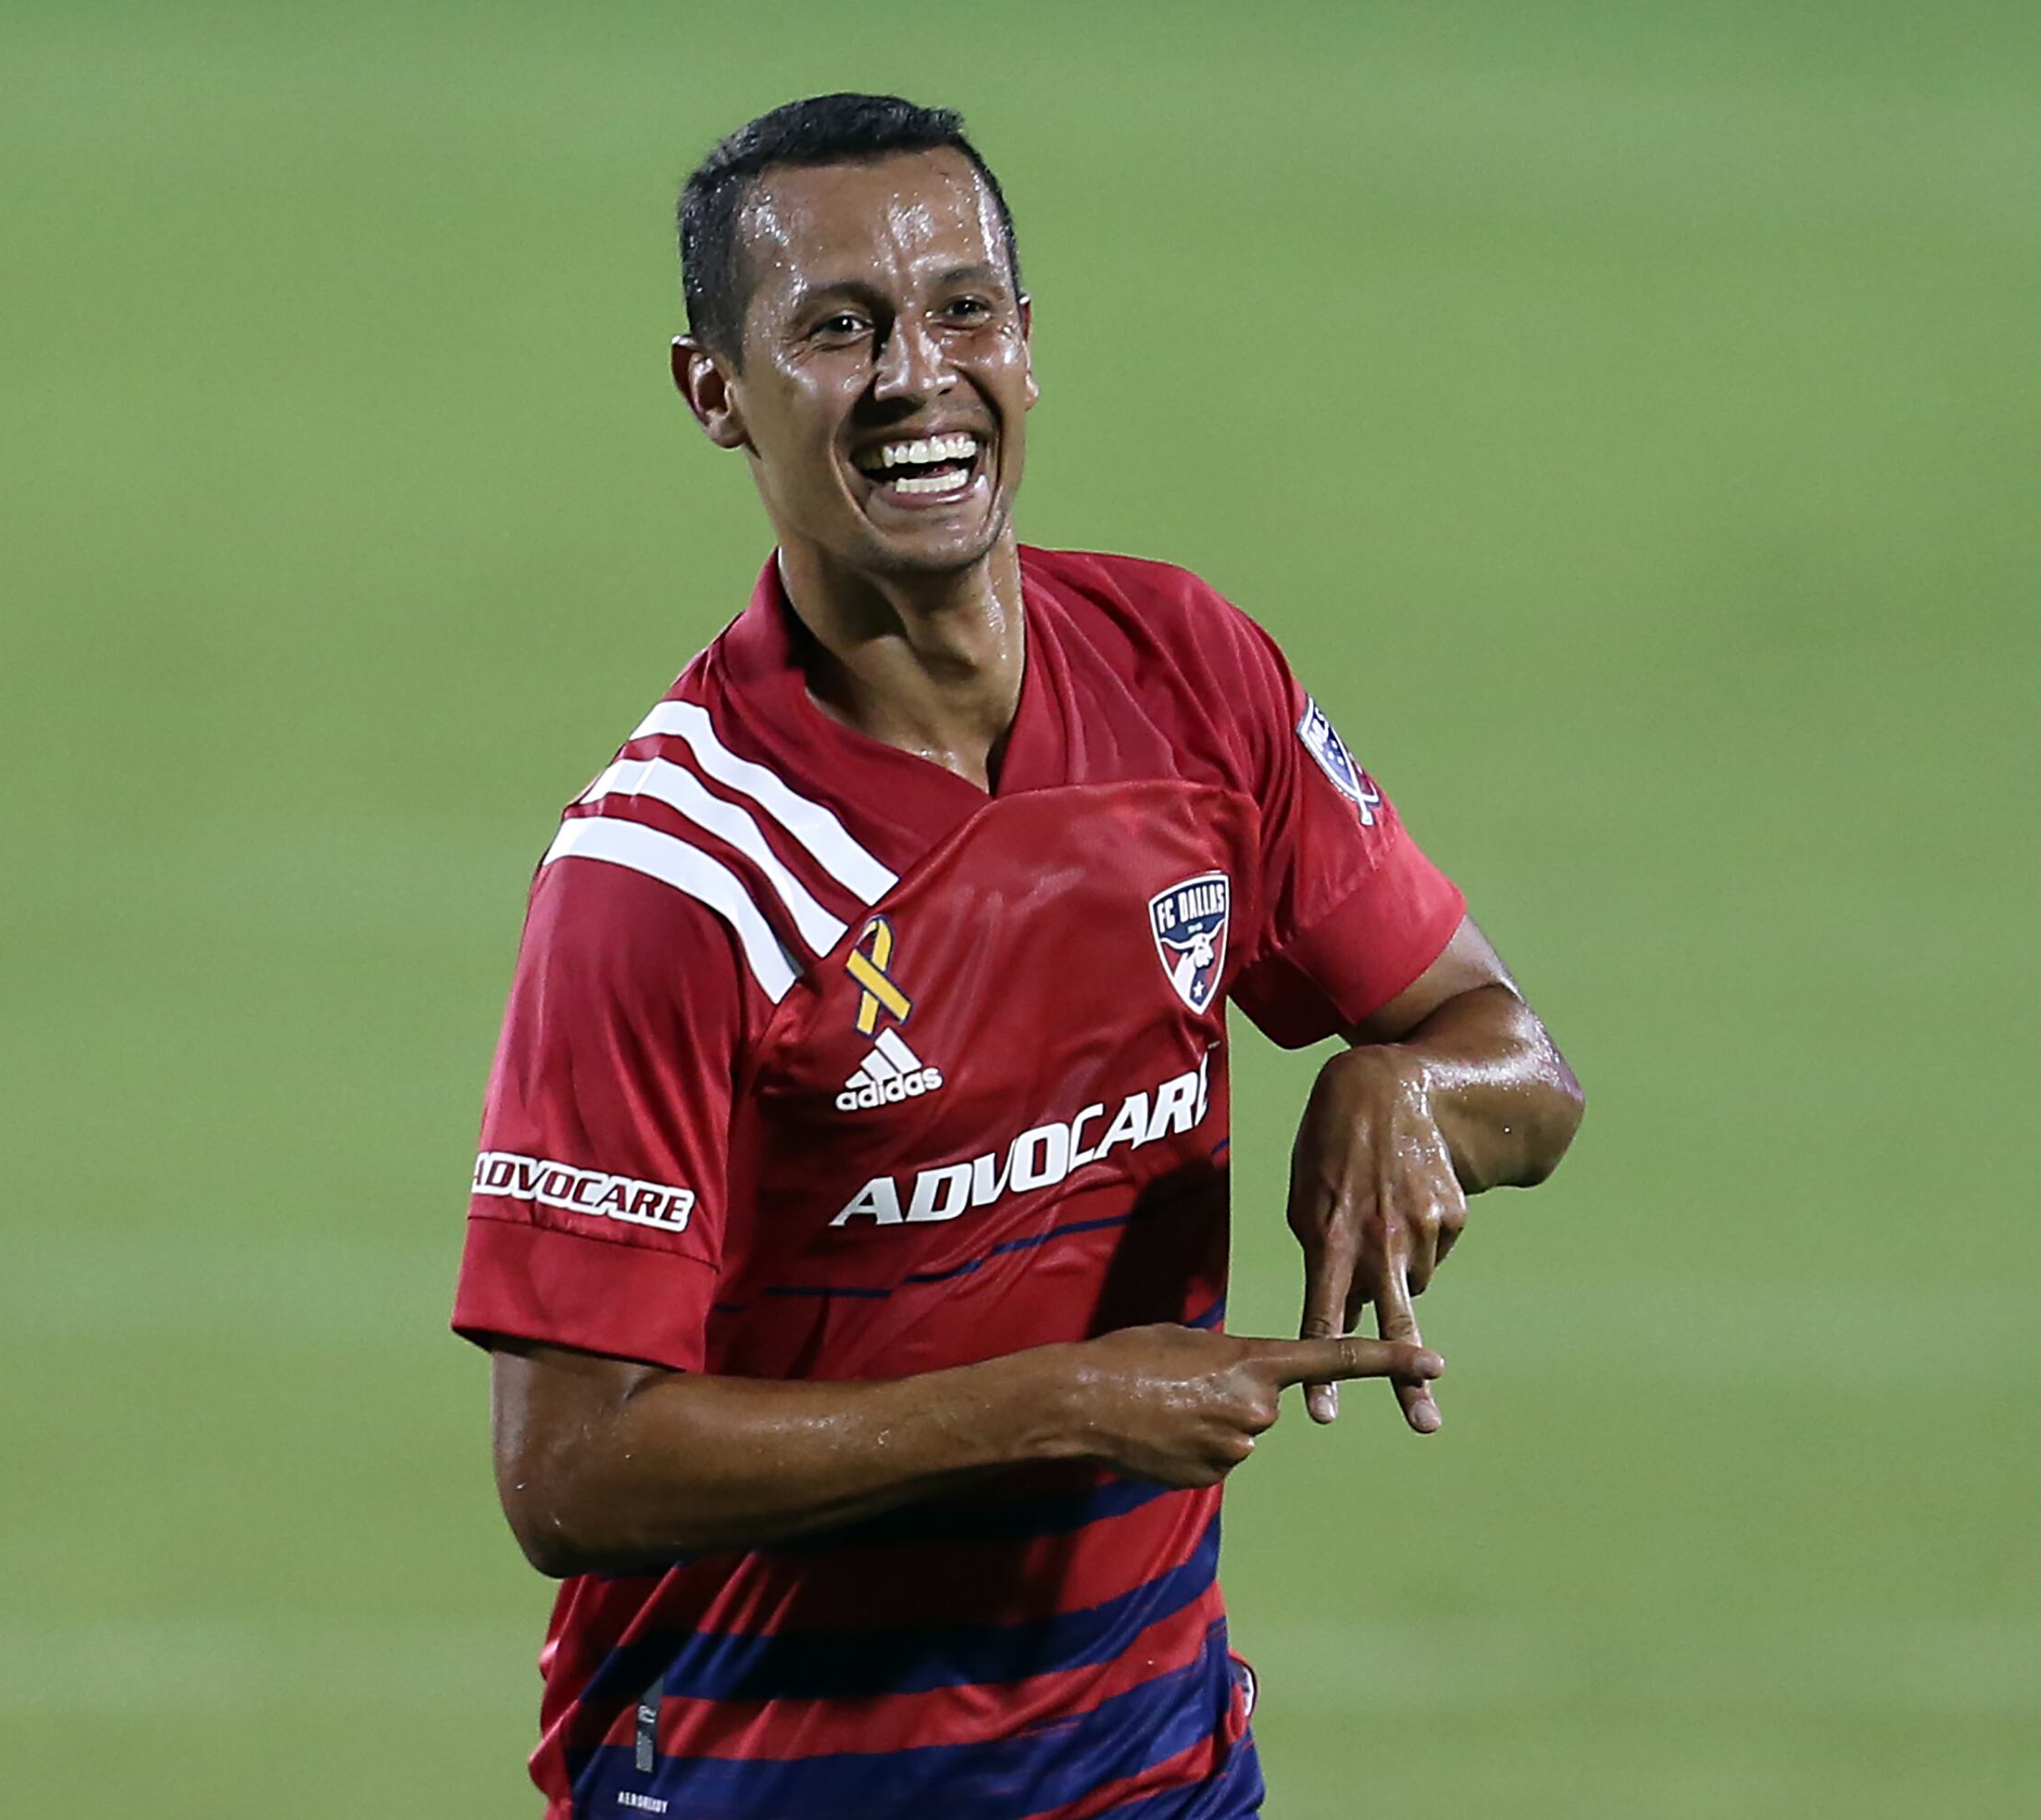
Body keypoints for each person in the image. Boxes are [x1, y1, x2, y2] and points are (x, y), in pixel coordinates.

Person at [451, 92, 1583, 1820]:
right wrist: (1054, 1407)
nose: (918, 376)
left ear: (1030, 348)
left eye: (962, 309)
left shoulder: (1187, 670)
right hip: (767, 1782)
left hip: (1156, 1769)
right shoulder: (669, 878)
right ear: (713, 392)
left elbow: (1521, 1065)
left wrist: (1409, 1088)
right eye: (838, 329)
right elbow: (571, 1471)